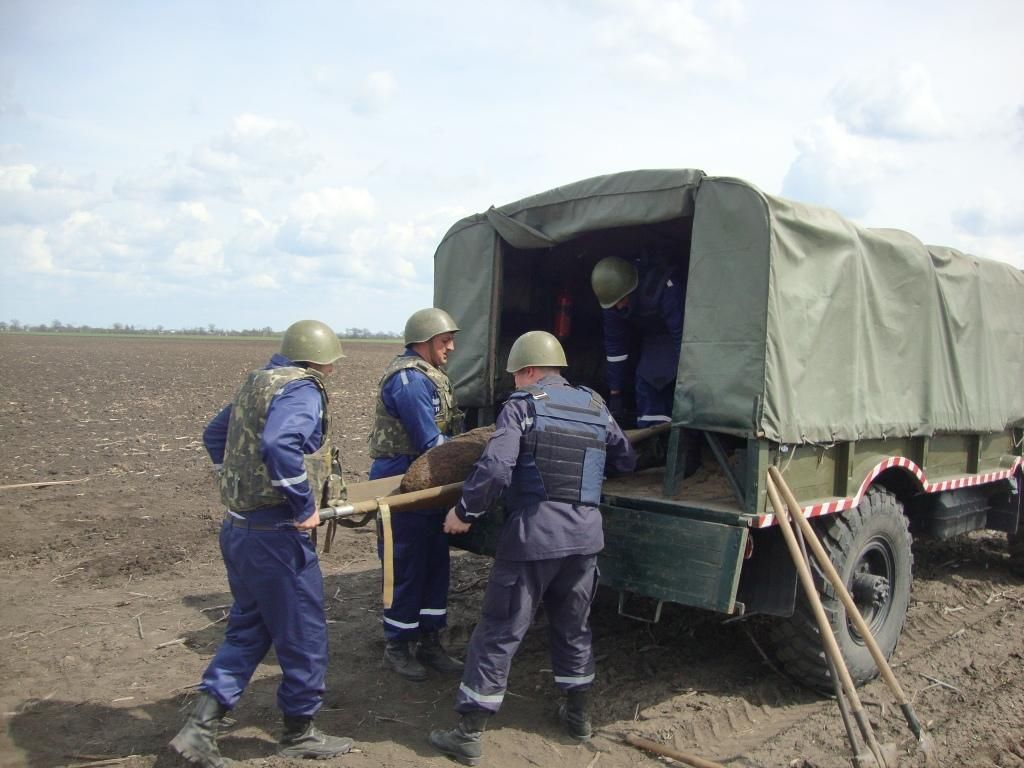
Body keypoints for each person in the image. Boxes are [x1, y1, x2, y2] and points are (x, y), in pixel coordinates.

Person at [428, 330, 637, 765]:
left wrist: (464, 512)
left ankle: (469, 733)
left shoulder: (522, 407)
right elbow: (624, 459)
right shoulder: (596, 406)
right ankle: (578, 719)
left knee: (500, 629)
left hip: (534, 538)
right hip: (584, 539)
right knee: (573, 626)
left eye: (515, 377)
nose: (515, 385)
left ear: (527, 370)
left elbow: (497, 467)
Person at [169, 320, 352, 767]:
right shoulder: (303, 390)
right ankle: (299, 731)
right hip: (278, 537)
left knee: (249, 628)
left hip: (239, 529)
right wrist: (302, 503)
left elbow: (215, 436)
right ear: (321, 358)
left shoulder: (258, 384)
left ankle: (200, 728)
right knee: (303, 633)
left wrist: (240, 486)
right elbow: (280, 443)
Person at [367, 307, 465, 681]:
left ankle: (430, 641)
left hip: (430, 479)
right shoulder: (409, 380)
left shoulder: (432, 377)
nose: (451, 347)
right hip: (401, 478)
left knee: (435, 563)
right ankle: (398, 644)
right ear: (423, 342)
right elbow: (430, 439)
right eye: (445, 340)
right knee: (404, 565)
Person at [590, 255, 684, 429]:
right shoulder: (611, 302)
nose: (619, 307)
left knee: (657, 383)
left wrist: (688, 379)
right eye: (614, 304)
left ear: (632, 288)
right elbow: (615, 348)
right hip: (648, 342)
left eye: (622, 301)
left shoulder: (666, 288)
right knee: (645, 389)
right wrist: (615, 393)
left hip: (674, 340)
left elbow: (682, 337)